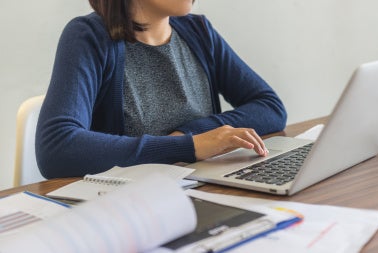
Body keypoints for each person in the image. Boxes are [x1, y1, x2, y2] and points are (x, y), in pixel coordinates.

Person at [36, 0, 287, 178]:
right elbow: (57, 148)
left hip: (203, 191)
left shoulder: (199, 31)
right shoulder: (88, 37)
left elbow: (270, 107)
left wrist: (191, 134)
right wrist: (189, 147)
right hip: (130, 209)